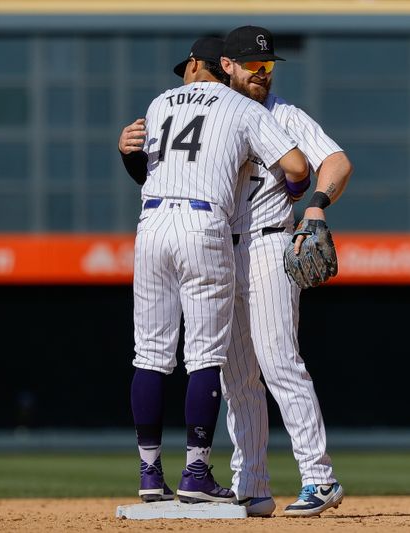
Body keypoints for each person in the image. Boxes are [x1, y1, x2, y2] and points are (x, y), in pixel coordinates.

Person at [118, 36, 309, 505]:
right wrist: (296, 192)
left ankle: (148, 474)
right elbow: (297, 165)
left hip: (151, 224)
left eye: (188, 65)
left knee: (149, 355)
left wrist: (127, 154)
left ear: (202, 65)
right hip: (204, 224)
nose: (183, 73)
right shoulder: (242, 108)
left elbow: (150, 170)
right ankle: (196, 473)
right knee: (204, 356)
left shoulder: (160, 103)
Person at [218, 26, 353, 517]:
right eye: (255, 66)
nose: (264, 74)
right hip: (216, 250)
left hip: (271, 243)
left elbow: (336, 161)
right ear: (227, 65)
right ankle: (250, 486)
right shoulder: (212, 112)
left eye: (269, 66)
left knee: (279, 361)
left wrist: (316, 205)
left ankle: (320, 478)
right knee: (237, 378)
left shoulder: (286, 115)